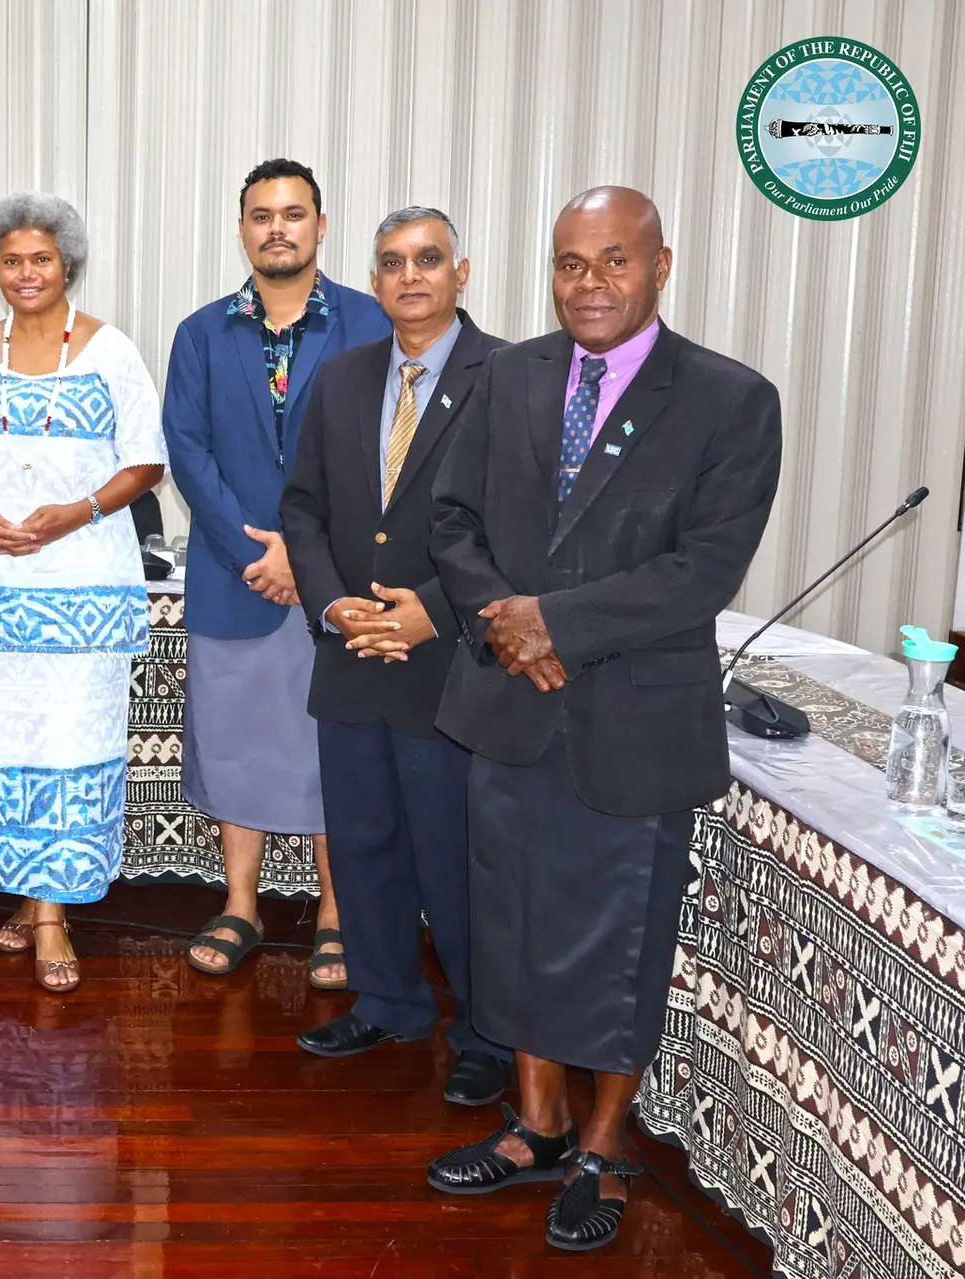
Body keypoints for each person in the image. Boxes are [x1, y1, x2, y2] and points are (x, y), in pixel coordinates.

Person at [425, 186, 782, 1251]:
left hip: (633, 721)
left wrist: (555, 625)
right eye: (571, 264)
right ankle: (534, 1125)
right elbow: (454, 519)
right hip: (509, 707)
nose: (591, 284)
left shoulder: (730, 398)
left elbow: (704, 569)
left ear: (661, 266)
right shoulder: (508, 375)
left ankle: (605, 1144)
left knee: (619, 943)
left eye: (614, 262)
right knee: (513, 927)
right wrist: (503, 622)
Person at [279, 207, 511, 1107]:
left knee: (457, 864)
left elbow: (524, 529)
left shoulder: (512, 377)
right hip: (351, 658)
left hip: (449, 670)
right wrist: (333, 601)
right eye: (390, 263)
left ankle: (486, 1032)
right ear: (371, 280)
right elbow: (302, 507)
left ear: (462, 271)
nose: (409, 276)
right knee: (367, 845)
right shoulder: (339, 378)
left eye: (427, 260)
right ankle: (389, 1001)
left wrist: (440, 613)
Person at [161, 158, 389, 987]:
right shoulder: (201, 332)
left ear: (322, 227)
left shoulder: (370, 324)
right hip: (238, 577)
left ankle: (336, 911)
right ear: (243, 228)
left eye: (294, 213)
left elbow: (382, 449)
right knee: (239, 745)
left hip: (341, 581)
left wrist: (306, 551)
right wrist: (256, 551)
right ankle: (241, 903)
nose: (278, 228)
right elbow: (187, 451)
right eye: (261, 214)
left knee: (335, 749)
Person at [0, 192, 168, 992]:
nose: (26, 273)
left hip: (84, 588)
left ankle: (54, 915)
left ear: (66, 263)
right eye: (11, 260)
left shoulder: (112, 353)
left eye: (40, 258)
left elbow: (145, 460)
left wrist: (78, 511)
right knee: (7, 749)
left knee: (70, 747)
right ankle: (32, 898)